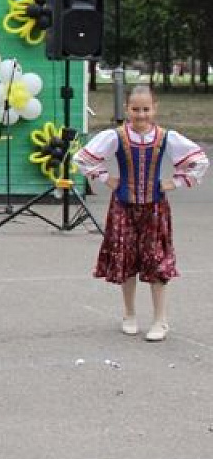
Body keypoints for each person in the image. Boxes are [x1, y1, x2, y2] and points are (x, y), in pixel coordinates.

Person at [72, 85, 207, 342]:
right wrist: (106, 178)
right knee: (126, 259)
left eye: (146, 109)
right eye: (136, 109)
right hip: (123, 206)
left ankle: (160, 319)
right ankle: (129, 314)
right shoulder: (116, 136)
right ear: (127, 109)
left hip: (155, 207)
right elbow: (83, 158)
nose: (141, 115)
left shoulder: (166, 137)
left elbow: (198, 160)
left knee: (157, 261)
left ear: (155, 109)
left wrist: (175, 182)